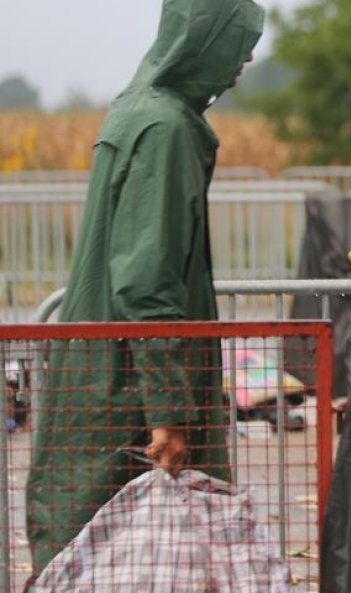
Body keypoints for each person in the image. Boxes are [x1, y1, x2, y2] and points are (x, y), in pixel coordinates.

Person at [25, 0, 264, 578]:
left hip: (102, 365)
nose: (245, 59)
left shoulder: (135, 109)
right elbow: (148, 280)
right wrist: (169, 414)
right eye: (237, 42)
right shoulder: (167, 128)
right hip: (128, 385)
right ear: (202, 43)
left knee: (91, 549)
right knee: (124, 553)